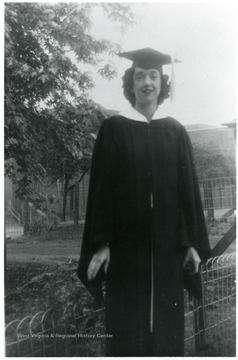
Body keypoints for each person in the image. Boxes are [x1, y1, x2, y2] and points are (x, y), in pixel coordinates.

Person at [77, 47, 211, 356]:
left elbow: (187, 194)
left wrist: (189, 242)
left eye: (153, 76)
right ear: (130, 83)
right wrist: (102, 242)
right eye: (140, 77)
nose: (147, 83)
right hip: (126, 250)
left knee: (166, 334)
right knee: (126, 333)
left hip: (167, 249)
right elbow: (101, 192)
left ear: (162, 83)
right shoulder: (113, 129)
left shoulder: (175, 131)